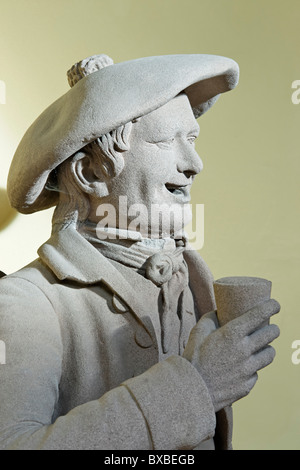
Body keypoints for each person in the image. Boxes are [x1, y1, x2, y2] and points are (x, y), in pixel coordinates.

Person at [0, 54, 280, 450]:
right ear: (91, 173)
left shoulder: (192, 277)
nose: (194, 163)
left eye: (193, 140)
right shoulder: (26, 302)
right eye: (167, 140)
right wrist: (198, 388)